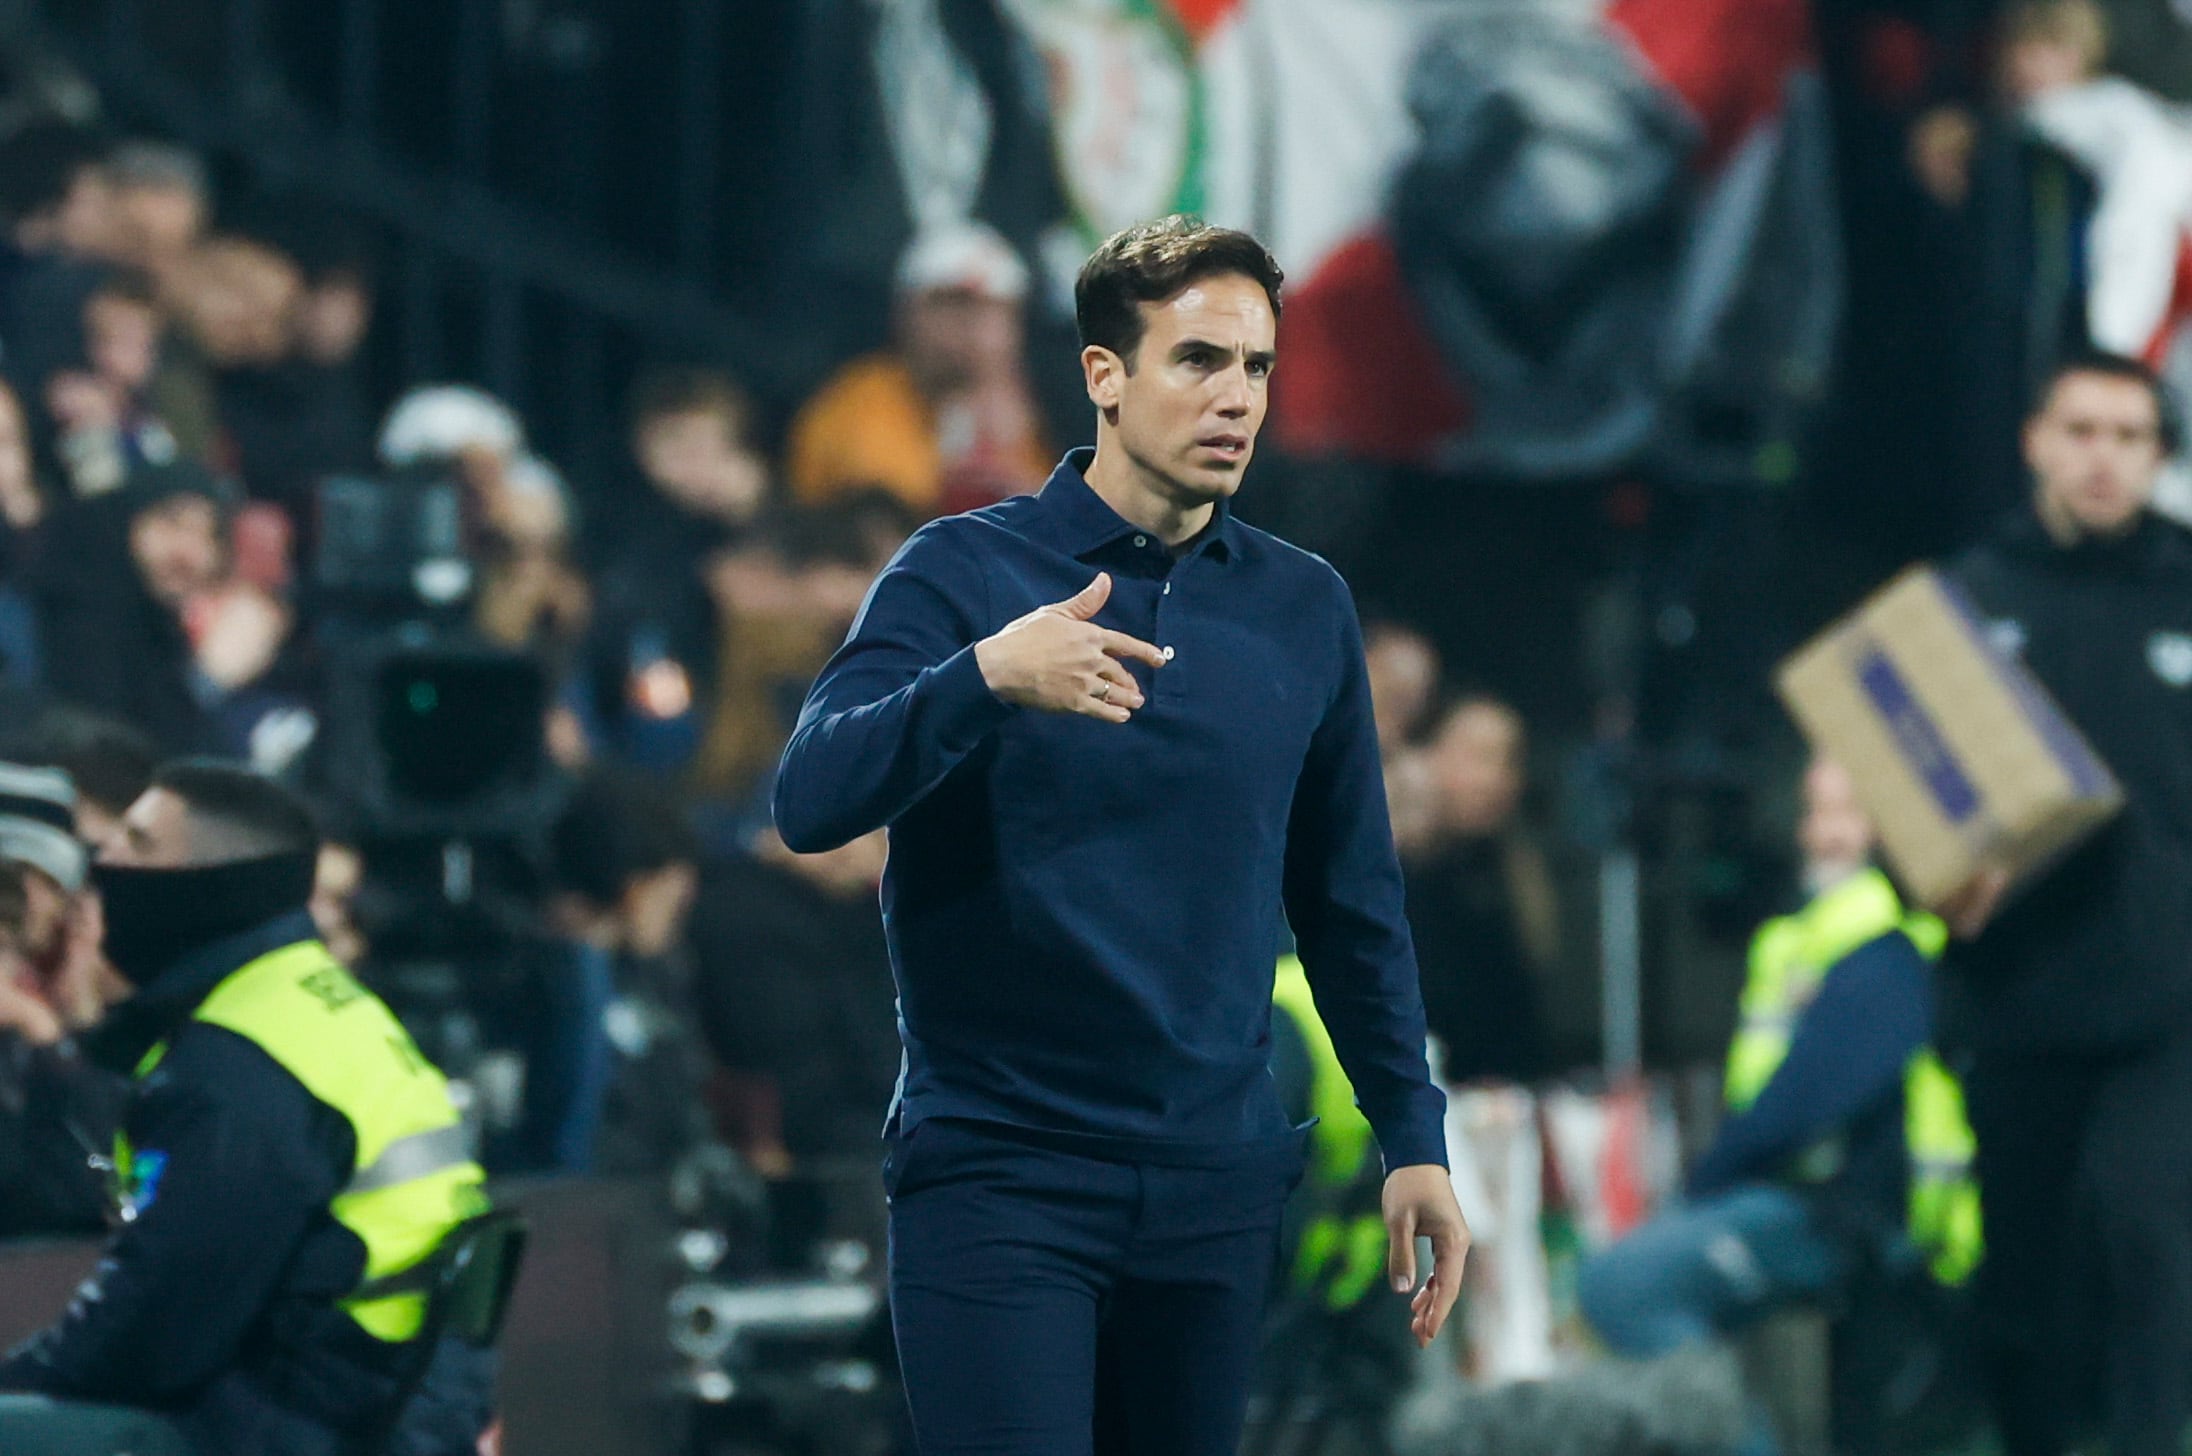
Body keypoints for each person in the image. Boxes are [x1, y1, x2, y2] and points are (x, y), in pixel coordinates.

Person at [773, 214, 1468, 1453]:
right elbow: (810, 795)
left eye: (1256, 367)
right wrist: (982, 677)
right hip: (1004, 1176)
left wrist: (1412, 1137)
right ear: (1103, 375)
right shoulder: (967, 573)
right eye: (1199, 360)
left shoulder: (1303, 605)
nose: (1237, 397)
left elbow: (1349, 897)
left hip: (1215, 1182)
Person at [0, 760, 494, 1456]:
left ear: (210, 885)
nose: (100, 863)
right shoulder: (318, 1005)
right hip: (390, 1408)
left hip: (296, 1423)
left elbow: (150, 1342)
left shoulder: (238, 1064)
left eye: (135, 845)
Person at [1935, 351, 2192, 1456]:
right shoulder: (1966, 598)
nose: (2103, 457)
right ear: (2036, 441)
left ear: (2156, 457)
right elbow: (1908, 792)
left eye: (2128, 437)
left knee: (2150, 1237)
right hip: (2018, 990)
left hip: (2171, 1001)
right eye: (2080, 431)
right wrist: (1930, 879)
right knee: (2024, 1284)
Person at [1577, 760, 1978, 1456]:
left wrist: (1705, 1186)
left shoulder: (1886, 950)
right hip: (1804, 1204)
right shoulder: (1809, 938)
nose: (1823, 835)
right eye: (1813, 812)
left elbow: (1803, 1105)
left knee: (1623, 1287)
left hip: (1845, 1217)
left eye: (1847, 813)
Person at [786, 218, 1052, 519]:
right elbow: (887, 521)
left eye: (993, 310)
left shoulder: (1039, 412)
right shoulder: (862, 401)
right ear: (908, 313)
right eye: (953, 305)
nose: (974, 328)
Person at [1402, 694, 1556, 1084]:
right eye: (1478, 757)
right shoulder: (1393, 871)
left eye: (1509, 761)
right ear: (1427, 757)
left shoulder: (1512, 876)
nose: (1494, 780)